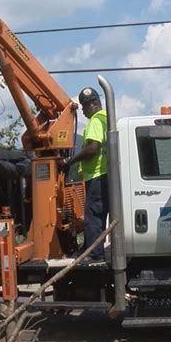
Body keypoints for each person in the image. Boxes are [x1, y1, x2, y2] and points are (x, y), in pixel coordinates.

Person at [60, 87, 108, 265]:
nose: (82, 110)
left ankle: (95, 255)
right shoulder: (107, 118)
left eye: (85, 106)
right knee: (99, 216)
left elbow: (93, 148)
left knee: (92, 216)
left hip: (97, 175)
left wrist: (70, 161)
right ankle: (90, 247)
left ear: (94, 104)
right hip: (104, 175)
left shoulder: (96, 120)